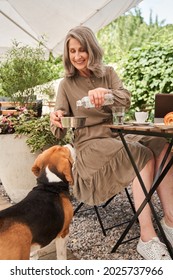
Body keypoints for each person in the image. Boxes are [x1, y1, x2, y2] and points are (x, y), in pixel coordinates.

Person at [50, 26, 173, 260]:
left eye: (82, 49)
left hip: (116, 133)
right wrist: (55, 118)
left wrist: (105, 94)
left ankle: (170, 221)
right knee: (140, 154)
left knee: (163, 146)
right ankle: (146, 237)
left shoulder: (108, 72)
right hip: (90, 142)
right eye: (72, 51)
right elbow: (58, 125)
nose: (77, 56)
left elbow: (125, 99)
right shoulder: (66, 85)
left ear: (91, 49)